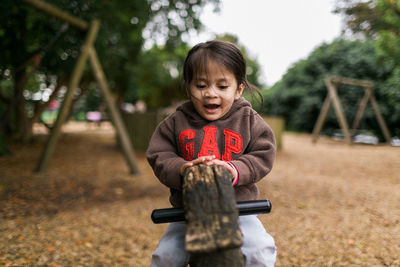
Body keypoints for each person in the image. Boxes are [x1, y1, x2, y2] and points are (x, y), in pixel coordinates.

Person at [146, 40, 277, 267]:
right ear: (188, 88)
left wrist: (236, 170)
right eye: (201, 85)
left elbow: (263, 152)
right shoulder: (176, 121)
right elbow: (160, 154)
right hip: (187, 212)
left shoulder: (247, 119)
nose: (211, 94)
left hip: (239, 210)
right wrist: (181, 168)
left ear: (238, 89)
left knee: (261, 252)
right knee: (164, 257)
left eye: (222, 86)